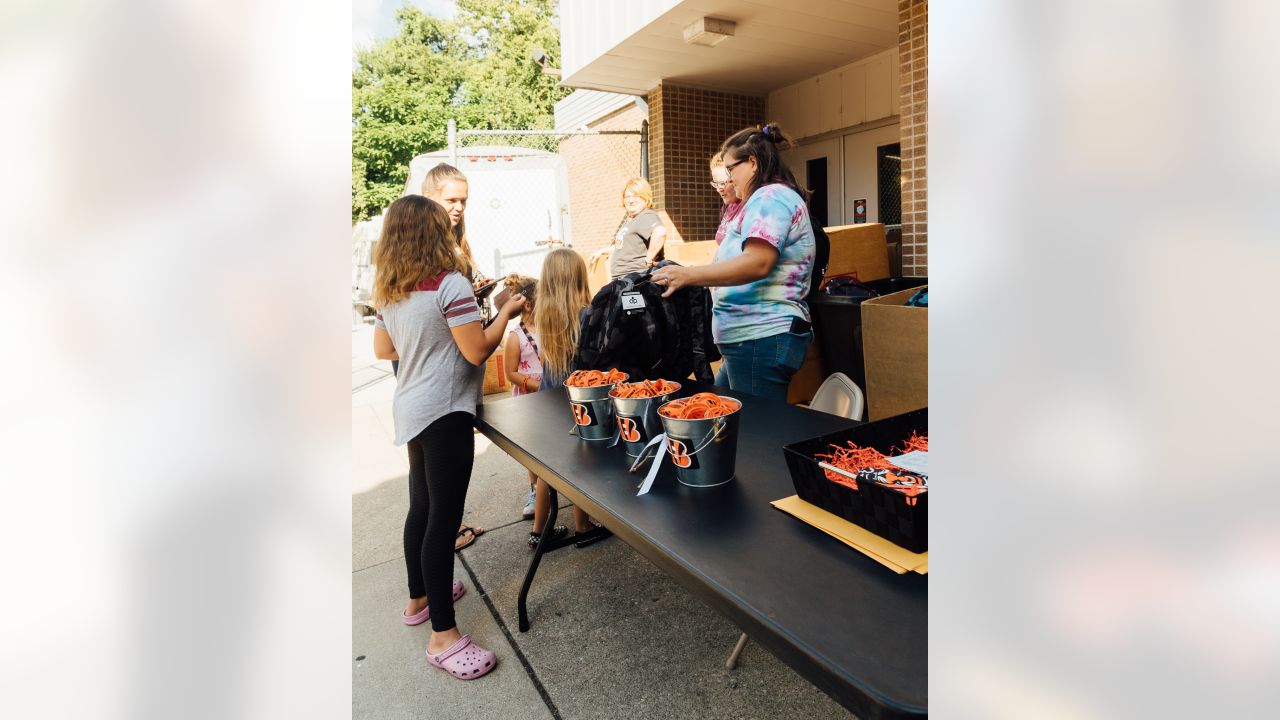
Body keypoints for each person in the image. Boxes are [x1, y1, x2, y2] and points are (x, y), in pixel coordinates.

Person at [371, 195, 526, 680]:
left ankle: (419, 599)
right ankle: (443, 636)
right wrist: (506, 312)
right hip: (446, 412)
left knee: (421, 509)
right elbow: (478, 350)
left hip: (412, 408)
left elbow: (384, 348)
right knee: (443, 520)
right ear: (434, 232)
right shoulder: (451, 284)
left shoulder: (391, 288)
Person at [651, 123, 816, 403]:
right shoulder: (764, 199)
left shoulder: (770, 197)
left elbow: (757, 262)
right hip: (750, 337)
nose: (728, 179)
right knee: (722, 418)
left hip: (760, 335)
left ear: (752, 162)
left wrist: (688, 275)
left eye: (731, 169)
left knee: (756, 435)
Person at [421, 162, 488, 550]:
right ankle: (443, 541)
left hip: (447, 365)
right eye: (451, 199)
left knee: (431, 490)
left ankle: (423, 588)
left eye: (464, 199)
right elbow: (477, 350)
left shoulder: (456, 236)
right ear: (429, 197)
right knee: (438, 491)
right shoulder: (425, 244)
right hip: (441, 374)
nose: (459, 207)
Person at [529, 248, 612, 549]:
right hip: (579, 398)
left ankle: (539, 532)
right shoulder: (587, 314)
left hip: (549, 397)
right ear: (578, 277)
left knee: (547, 468)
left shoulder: (543, 313)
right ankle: (583, 525)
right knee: (583, 463)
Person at [501, 273, 542, 521]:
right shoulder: (515, 337)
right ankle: (535, 491)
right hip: (530, 399)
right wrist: (534, 384)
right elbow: (510, 373)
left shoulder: (548, 328)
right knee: (533, 449)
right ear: (528, 305)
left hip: (548, 393)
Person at [599, 177, 666, 279]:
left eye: (635, 196)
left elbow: (660, 233)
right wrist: (603, 251)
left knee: (601, 295)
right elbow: (626, 246)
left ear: (645, 197)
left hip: (635, 279)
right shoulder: (633, 219)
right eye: (627, 197)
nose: (630, 200)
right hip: (625, 279)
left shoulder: (646, 215)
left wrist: (648, 259)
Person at [709, 152, 745, 246]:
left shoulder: (751, 206)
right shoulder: (726, 208)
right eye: (715, 183)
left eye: (722, 183)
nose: (718, 189)